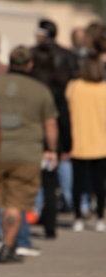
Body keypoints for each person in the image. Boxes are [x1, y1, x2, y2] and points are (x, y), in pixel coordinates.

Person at [0, 46, 58, 262]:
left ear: (10, 63)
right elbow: (50, 124)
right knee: (15, 203)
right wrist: (51, 149)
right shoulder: (40, 90)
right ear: (30, 64)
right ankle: (8, 247)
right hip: (27, 154)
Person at [32, 19, 78, 237]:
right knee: (58, 167)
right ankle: (67, 202)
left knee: (39, 174)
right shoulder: (65, 61)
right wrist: (67, 141)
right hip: (57, 125)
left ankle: (38, 209)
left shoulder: (36, 82)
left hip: (36, 128)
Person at [65, 56, 106, 232]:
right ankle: (100, 217)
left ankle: (78, 217)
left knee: (78, 184)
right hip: (101, 142)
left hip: (78, 141)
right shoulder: (104, 89)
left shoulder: (74, 87)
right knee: (100, 184)